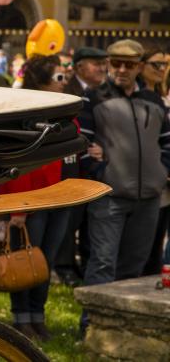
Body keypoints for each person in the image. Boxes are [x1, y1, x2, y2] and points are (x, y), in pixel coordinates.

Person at [79, 39, 170, 336]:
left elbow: (167, 142)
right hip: (110, 196)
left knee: (134, 265)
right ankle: (90, 327)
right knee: (102, 263)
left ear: (139, 67)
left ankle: (121, 331)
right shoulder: (93, 97)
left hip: (149, 197)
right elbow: (82, 143)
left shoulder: (154, 101)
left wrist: (162, 172)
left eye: (128, 65)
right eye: (115, 63)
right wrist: (100, 171)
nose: (121, 69)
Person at [0, 54, 72, 341]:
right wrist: (17, 206)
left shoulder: (61, 108)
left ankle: (38, 317)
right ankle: (21, 319)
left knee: (45, 260)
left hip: (58, 196)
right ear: (41, 80)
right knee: (24, 258)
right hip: (30, 200)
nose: (64, 82)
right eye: (59, 77)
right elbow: (16, 160)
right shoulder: (24, 110)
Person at [53, 46, 109, 285]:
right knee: (68, 217)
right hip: (69, 164)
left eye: (102, 62)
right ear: (79, 67)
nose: (101, 67)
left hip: (86, 164)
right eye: (95, 63)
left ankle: (72, 264)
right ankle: (63, 265)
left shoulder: (98, 91)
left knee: (79, 218)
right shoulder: (70, 89)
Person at [138, 47, 170, 275]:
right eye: (155, 64)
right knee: (144, 243)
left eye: (164, 65)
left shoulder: (162, 97)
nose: (161, 69)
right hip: (148, 180)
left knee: (158, 239)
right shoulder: (137, 97)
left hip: (163, 178)